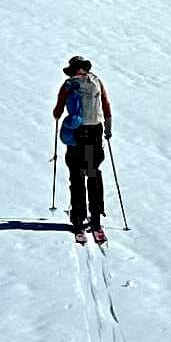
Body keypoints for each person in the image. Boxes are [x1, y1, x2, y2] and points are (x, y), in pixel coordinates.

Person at [52, 57, 114, 240]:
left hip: (77, 134)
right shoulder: (96, 81)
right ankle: (95, 219)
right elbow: (106, 105)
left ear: (73, 70)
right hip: (94, 132)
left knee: (77, 175)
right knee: (92, 172)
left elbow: (57, 110)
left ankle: (78, 219)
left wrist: (59, 116)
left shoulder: (69, 85)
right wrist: (108, 129)